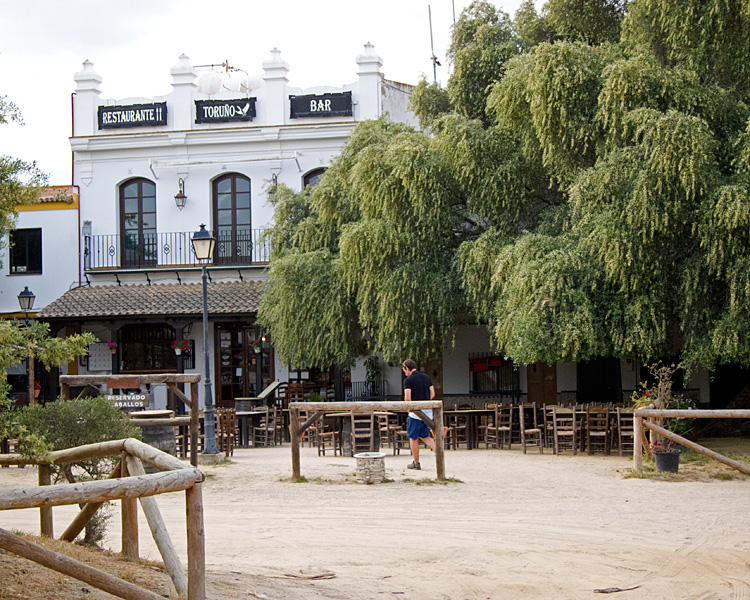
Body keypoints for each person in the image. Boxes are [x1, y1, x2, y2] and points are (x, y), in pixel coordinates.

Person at [402, 359, 436, 470]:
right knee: (425, 436)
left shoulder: (408, 380)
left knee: (413, 437)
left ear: (407, 368)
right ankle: (439, 454)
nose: (405, 373)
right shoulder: (427, 378)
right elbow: (433, 394)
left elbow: (407, 398)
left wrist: (409, 408)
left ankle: (416, 462)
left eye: (404, 370)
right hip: (428, 412)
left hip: (415, 412)